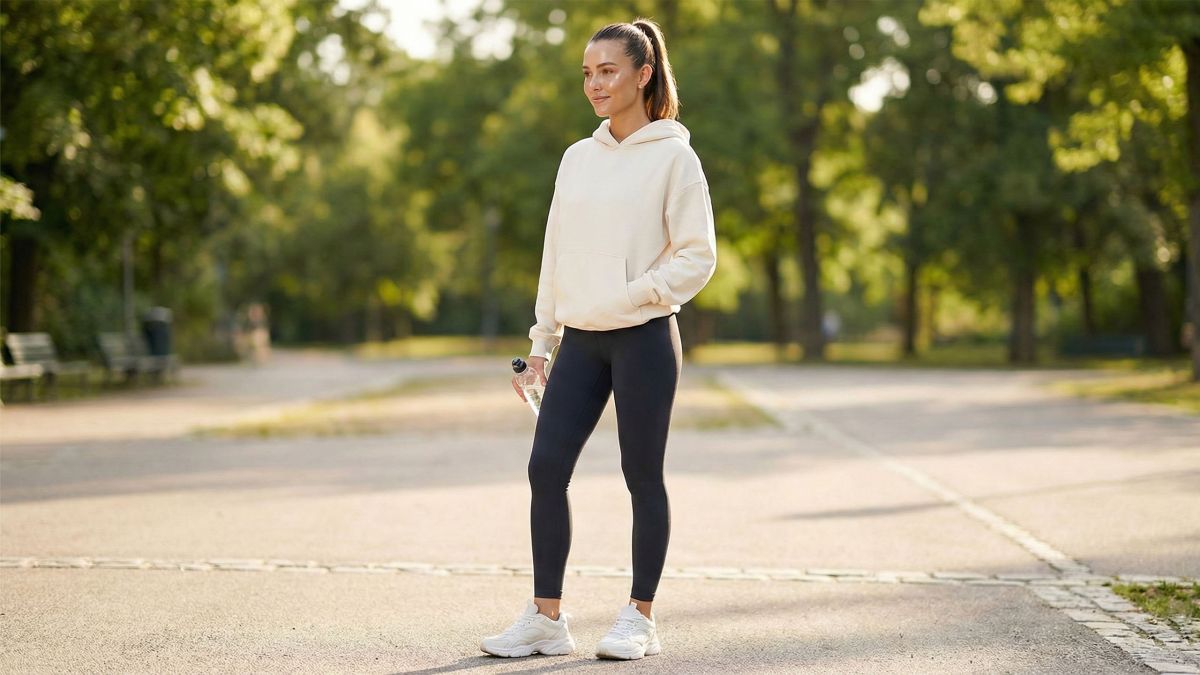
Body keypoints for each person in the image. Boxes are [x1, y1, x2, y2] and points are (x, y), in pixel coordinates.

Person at [482, 17, 717, 661]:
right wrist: (540, 343)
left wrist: (636, 293)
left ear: (644, 75)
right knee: (545, 468)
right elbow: (554, 255)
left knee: (642, 475)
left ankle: (639, 615)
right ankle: (546, 619)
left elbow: (697, 258)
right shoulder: (576, 158)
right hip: (581, 342)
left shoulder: (675, 157)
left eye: (607, 71)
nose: (594, 83)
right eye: (587, 73)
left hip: (642, 338)